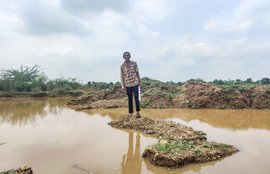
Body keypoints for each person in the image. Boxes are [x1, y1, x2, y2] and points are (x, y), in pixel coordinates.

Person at [121, 51, 141, 118]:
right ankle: (130, 113)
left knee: (136, 98)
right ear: (123, 57)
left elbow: (137, 72)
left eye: (127, 55)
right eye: (125, 55)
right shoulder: (122, 66)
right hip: (127, 85)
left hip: (135, 83)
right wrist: (123, 85)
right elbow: (122, 76)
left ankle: (138, 112)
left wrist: (139, 82)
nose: (126, 56)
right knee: (130, 99)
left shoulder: (134, 63)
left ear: (130, 56)